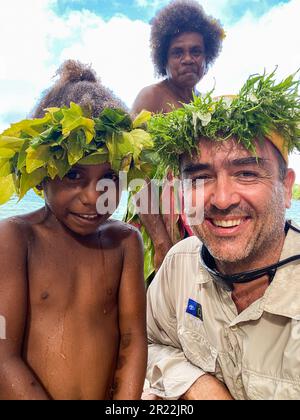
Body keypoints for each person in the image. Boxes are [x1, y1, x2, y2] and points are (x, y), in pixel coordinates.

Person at [0, 60, 153, 400]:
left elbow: (132, 339)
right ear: (41, 174)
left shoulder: (125, 242)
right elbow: (3, 356)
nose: (93, 197)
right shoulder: (16, 238)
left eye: (109, 178)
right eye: (73, 175)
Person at [145, 70, 300, 400]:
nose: (222, 199)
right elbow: (150, 342)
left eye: (246, 173)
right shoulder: (180, 264)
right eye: (200, 177)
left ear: (285, 188)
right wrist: (197, 385)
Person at [129, 0, 225, 277]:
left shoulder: (201, 106)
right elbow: (136, 173)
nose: (187, 59)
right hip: (156, 222)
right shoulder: (152, 97)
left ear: (206, 58)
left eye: (196, 51)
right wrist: (161, 242)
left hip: (190, 219)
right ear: (164, 59)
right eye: (177, 52)